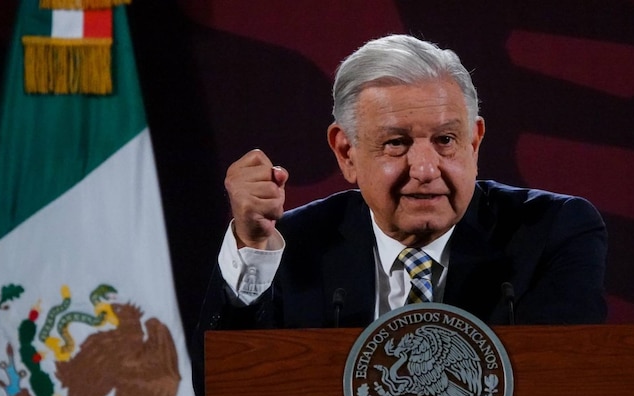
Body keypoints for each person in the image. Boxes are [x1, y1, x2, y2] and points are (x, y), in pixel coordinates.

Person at [194, 33, 606, 338]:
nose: (425, 169)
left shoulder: (551, 232)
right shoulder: (297, 246)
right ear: (347, 152)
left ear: (474, 141)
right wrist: (251, 247)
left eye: (446, 140)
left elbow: (571, 389)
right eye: (397, 143)